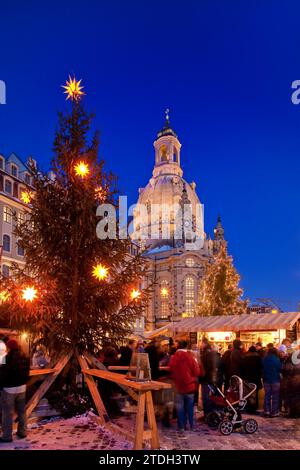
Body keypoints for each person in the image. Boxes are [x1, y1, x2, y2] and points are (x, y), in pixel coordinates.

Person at [0, 339, 30, 442]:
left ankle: (7, 437)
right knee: (22, 412)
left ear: (8, 347)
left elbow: (2, 374)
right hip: (22, 388)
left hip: (9, 389)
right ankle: (23, 432)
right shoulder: (25, 356)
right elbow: (27, 371)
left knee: (7, 413)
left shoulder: (6, 358)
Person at [169, 340, 200, 435]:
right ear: (186, 347)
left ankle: (181, 426)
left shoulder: (173, 358)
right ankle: (191, 425)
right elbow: (197, 372)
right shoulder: (190, 357)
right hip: (189, 386)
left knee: (180, 408)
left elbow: (171, 369)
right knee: (190, 407)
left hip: (178, 387)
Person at [199, 337, 217, 417]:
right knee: (207, 397)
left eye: (201, 343)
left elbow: (208, 366)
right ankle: (208, 414)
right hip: (208, 378)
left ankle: (208, 415)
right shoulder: (208, 352)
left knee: (206, 397)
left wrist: (203, 373)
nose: (200, 344)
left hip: (206, 379)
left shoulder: (207, 353)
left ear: (205, 343)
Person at [262, 346, 282, 418]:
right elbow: (280, 368)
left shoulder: (264, 359)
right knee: (275, 396)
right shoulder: (277, 359)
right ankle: (274, 412)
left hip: (266, 380)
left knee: (267, 395)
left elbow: (262, 368)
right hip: (275, 380)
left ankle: (266, 411)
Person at [243, 346, 262, 412]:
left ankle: (248, 407)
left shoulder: (245, 357)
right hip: (256, 378)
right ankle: (254, 407)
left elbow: (243, 368)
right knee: (255, 393)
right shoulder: (258, 357)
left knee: (248, 393)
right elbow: (260, 368)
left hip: (248, 378)